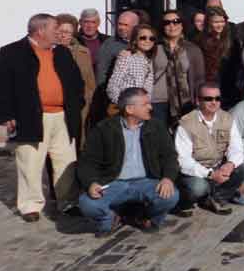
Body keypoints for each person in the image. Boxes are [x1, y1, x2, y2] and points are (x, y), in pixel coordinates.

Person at [0, 14, 84, 222]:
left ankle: (67, 202)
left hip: (63, 117)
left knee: (65, 160)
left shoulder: (62, 52)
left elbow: (76, 82)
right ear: (40, 30)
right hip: (30, 117)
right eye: (54, 28)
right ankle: (30, 205)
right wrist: (6, 115)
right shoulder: (11, 52)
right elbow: (1, 87)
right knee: (30, 162)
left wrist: (77, 104)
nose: (59, 32)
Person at [77, 87, 179, 237]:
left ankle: (145, 217)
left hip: (147, 181)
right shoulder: (104, 129)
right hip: (113, 183)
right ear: (130, 109)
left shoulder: (156, 127)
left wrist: (168, 178)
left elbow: (170, 156)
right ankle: (109, 220)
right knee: (87, 204)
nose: (150, 107)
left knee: (171, 196)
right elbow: (87, 162)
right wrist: (91, 183)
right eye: (145, 104)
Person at [173, 81, 244, 216]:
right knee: (199, 188)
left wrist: (230, 165)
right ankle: (190, 198)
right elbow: (183, 161)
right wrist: (210, 174)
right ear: (197, 101)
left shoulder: (227, 118)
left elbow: (237, 147)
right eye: (208, 99)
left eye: (217, 98)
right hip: (195, 171)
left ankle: (216, 198)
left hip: (218, 166)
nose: (214, 102)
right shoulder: (186, 124)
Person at [152, 10, 205, 129]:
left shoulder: (192, 49)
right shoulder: (154, 47)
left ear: (182, 25)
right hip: (158, 102)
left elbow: (199, 79)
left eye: (176, 21)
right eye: (167, 22)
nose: (172, 25)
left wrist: (199, 99)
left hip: (185, 102)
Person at [55, 13, 96, 148]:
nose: (63, 35)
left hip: (80, 105)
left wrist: (89, 101)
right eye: (60, 31)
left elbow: (90, 80)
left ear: (73, 33)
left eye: (67, 32)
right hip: (57, 105)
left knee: (77, 141)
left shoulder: (83, 52)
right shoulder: (48, 52)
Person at [196, 6, 240, 110]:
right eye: (216, 22)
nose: (220, 25)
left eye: (222, 21)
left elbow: (237, 65)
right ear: (208, 23)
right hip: (209, 88)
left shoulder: (233, 41)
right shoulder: (200, 41)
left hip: (230, 89)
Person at [106, 25, 156, 106]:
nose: (148, 41)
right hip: (125, 107)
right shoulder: (126, 57)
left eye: (152, 38)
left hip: (140, 107)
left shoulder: (148, 61)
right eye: (143, 38)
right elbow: (112, 86)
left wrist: (145, 104)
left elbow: (148, 88)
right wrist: (123, 105)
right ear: (135, 40)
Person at [95, 10, 139, 87]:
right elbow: (101, 71)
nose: (121, 27)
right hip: (115, 91)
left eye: (125, 25)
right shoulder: (109, 44)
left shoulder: (144, 41)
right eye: (120, 24)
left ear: (135, 26)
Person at [77, 8, 107, 73]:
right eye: (86, 22)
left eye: (93, 22)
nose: (89, 26)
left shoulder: (108, 41)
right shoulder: (73, 41)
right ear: (80, 22)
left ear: (98, 23)